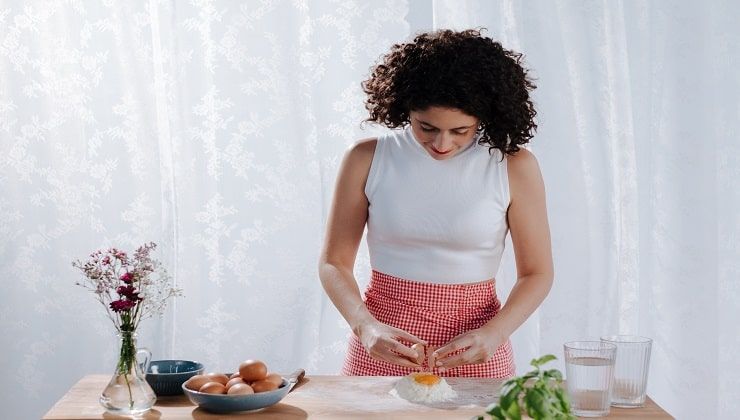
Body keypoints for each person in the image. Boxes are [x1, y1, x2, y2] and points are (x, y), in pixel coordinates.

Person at [318, 29, 553, 378]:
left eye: (460, 130)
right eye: (426, 127)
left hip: (477, 349)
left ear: (484, 117)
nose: (442, 144)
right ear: (404, 108)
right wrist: (365, 327)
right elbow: (334, 263)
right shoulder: (366, 158)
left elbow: (537, 273)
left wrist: (495, 333)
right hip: (382, 346)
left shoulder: (514, 166)